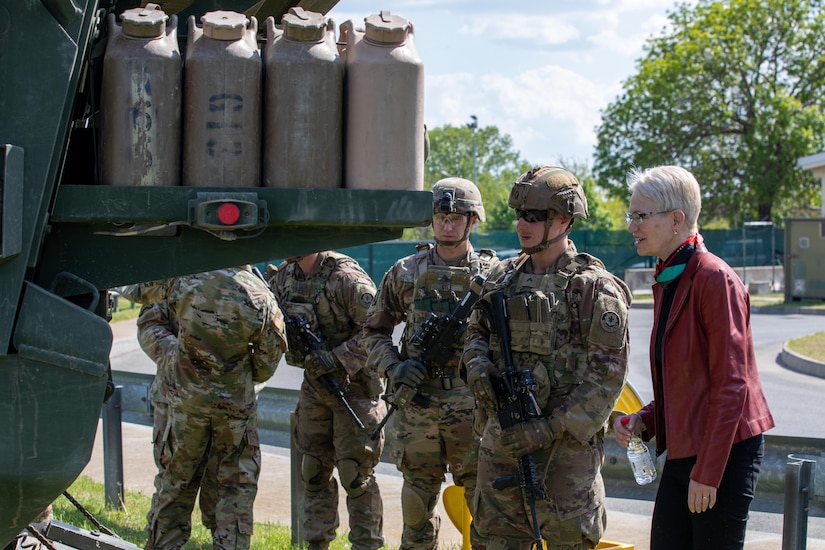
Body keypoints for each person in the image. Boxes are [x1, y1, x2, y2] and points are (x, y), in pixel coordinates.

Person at [462, 166, 631, 549]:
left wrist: (545, 429)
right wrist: (477, 366)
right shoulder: (501, 278)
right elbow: (475, 332)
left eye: (534, 217)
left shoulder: (592, 289)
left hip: (564, 454)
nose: (522, 224)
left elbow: (606, 380)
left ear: (565, 219)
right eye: (519, 215)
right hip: (502, 440)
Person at [612, 165, 775, 550]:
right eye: (630, 215)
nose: (632, 225)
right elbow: (687, 383)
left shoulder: (714, 279)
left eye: (639, 216)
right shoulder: (671, 275)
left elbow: (731, 387)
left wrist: (708, 473)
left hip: (724, 454)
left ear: (675, 220)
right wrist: (646, 420)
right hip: (690, 450)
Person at [362, 177, 499, 549]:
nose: (447, 225)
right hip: (417, 404)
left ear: (473, 221)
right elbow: (373, 332)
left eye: (456, 217)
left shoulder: (494, 276)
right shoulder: (405, 271)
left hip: (472, 407)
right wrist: (394, 368)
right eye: (440, 216)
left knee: (487, 512)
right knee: (416, 508)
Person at [140, 266, 288, 550]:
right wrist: (236, 377)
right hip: (233, 409)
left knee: (175, 484)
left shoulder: (181, 278)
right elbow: (269, 358)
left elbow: (141, 295)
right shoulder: (259, 292)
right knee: (235, 486)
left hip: (185, 405)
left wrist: (184, 367)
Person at [266, 251, 385, 550]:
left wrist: (336, 358)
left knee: (354, 475)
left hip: (354, 390)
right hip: (316, 387)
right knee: (314, 471)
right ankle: (317, 543)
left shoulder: (346, 279)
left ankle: (366, 545)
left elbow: (375, 331)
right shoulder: (284, 277)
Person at [135, 300, 217, 535]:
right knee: (173, 483)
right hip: (177, 398)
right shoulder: (174, 271)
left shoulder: (242, 275)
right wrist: (185, 360)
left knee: (226, 488)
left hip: (227, 405)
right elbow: (149, 324)